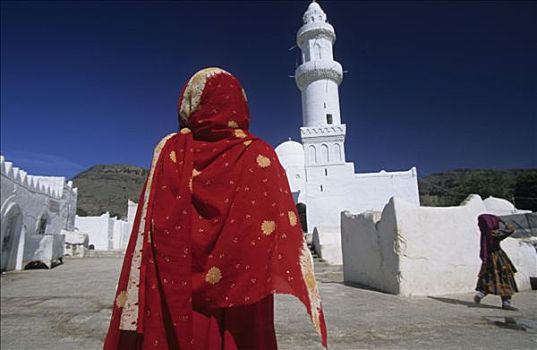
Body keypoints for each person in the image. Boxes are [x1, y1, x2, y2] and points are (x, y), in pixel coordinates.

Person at [103, 67, 328, 349]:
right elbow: (275, 231)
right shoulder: (261, 154)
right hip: (245, 290)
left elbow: (154, 227)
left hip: (178, 287)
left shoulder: (170, 150)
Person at [474, 214, 518, 310]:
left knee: (489, 278)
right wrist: (502, 221)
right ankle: (506, 303)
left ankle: (481, 294)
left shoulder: (485, 235)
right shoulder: (495, 234)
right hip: (499, 258)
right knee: (504, 278)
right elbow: (511, 229)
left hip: (489, 259)